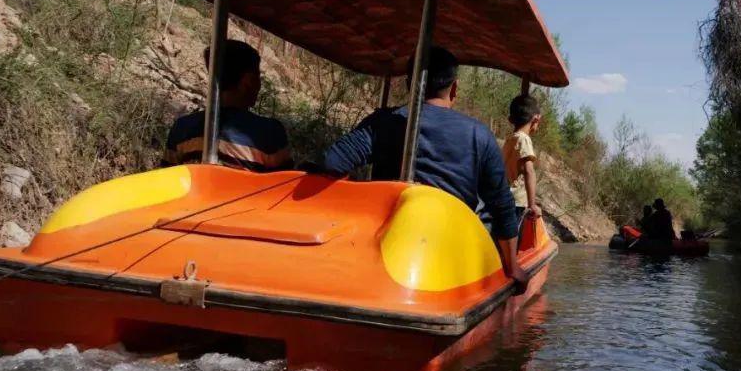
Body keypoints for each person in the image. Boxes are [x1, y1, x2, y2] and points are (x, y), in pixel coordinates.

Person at [321, 46, 528, 290]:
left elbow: (332, 163)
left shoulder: (384, 122)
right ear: (454, 88)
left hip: (384, 247)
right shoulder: (479, 134)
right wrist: (512, 267)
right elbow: (502, 206)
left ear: (410, 84)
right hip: (451, 252)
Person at [162, 40, 292, 172]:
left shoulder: (181, 128)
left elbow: (168, 184)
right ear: (248, 81)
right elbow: (285, 185)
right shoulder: (270, 132)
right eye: (257, 77)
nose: (259, 84)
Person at [503, 94, 542, 222]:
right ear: (536, 119)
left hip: (505, 196)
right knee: (515, 238)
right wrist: (532, 204)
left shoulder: (510, 139)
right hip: (516, 202)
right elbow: (528, 171)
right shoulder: (524, 139)